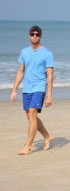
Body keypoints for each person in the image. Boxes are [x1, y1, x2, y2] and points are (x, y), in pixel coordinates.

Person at [11, 26, 54, 155]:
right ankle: (47, 136)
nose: (35, 36)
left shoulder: (47, 53)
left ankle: (27, 147)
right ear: (29, 35)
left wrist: (49, 95)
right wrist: (14, 90)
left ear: (40, 36)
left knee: (33, 114)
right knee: (30, 117)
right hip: (27, 89)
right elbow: (20, 72)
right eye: (32, 34)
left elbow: (50, 76)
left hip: (39, 88)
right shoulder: (24, 52)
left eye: (37, 34)